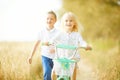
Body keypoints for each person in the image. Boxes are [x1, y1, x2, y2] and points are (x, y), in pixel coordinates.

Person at [51, 12, 92, 80]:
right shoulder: (60, 33)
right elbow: (53, 39)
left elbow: (81, 42)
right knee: (54, 72)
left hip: (72, 57)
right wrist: (50, 42)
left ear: (74, 23)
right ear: (63, 23)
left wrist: (86, 46)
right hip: (61, 56)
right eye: (66, 21)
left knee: (74, 68)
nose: (68, 22)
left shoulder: (77, 34)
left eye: (71, 20)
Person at [28, 10, 60, 80]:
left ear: (55, 20)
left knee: (58, 75)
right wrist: (31, 56)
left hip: (56, 57)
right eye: (47, 18)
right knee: (47, 73)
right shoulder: (41, 32)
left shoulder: (58, 32)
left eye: (51, 19)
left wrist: (55, 49)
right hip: (45, 57)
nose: (49, 20)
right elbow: (36, 45)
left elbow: (61, 45)